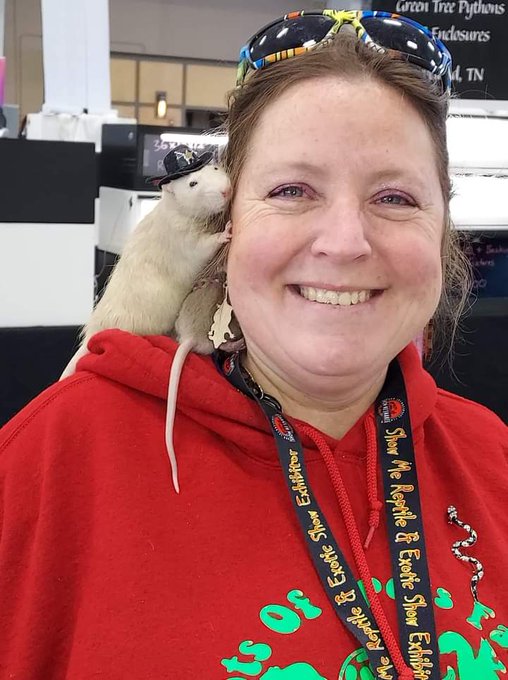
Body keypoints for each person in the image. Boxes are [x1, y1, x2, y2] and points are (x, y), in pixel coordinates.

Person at [0, 10, 506, 680]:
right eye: (291, 190)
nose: (344, 242)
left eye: (394, 198)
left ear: (443, 229)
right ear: (228, 219)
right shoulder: (55, 459)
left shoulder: (491, 457)